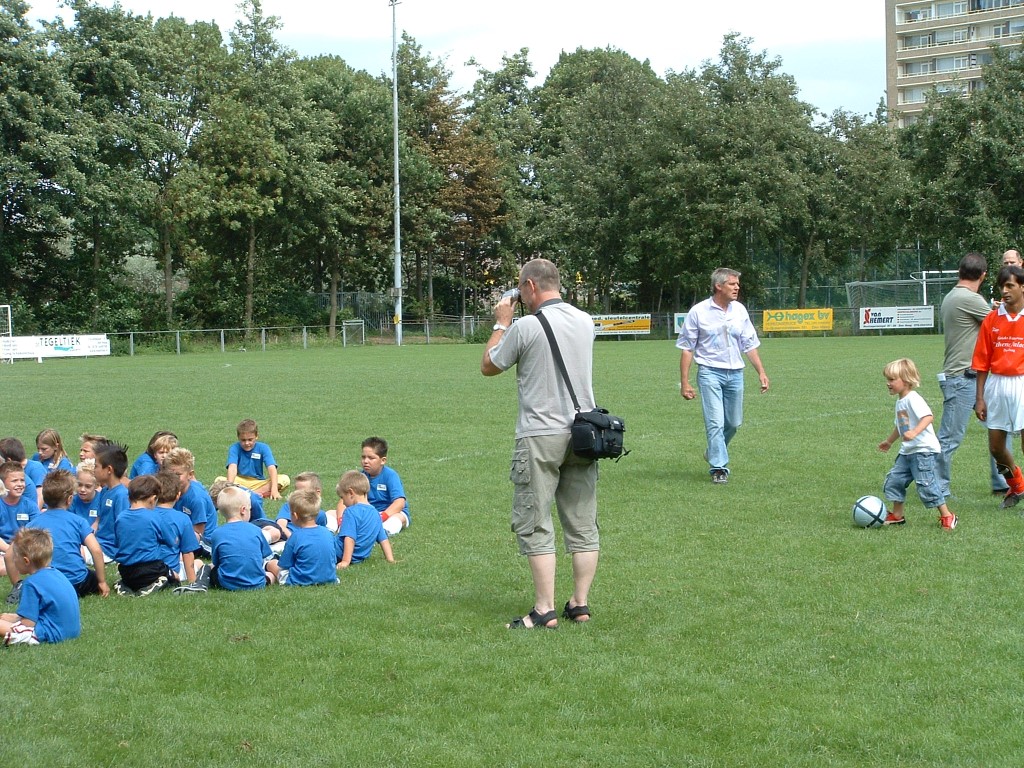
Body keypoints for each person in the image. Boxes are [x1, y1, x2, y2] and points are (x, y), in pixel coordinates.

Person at [482, 257, 599, 629]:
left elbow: (489, 365)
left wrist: (502, 322)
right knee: (582, 522)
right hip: (583, 432)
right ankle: (579, 603)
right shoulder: (584, 320)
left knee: (535, 521)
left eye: (521, 288)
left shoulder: (526, 326)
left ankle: (544, 609)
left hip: (540, 433)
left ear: (530, 286)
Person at [677, 267, 770, 484]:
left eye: (737, 284)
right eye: (732, 284)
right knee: (715, 422)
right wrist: (685, 382)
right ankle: (719, 468)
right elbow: (687, 348)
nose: (737, 287)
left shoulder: (740, 310)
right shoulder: (698, 312)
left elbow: (749, 344)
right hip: (709, 372)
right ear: (718, 286)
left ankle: (713, 451)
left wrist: (761, 372)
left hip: (736, 374)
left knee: (734, 423)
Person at [936, 253, 1007, 497]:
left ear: (959, 271)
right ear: (983, 275)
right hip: (963, 378)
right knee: (949, 438)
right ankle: (936, 488)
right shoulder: (970, 299)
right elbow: (1001, 326)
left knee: (999, 428)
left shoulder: (953, 296)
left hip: (970, 377)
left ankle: (1003, 482)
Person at [878, 358, 958, 529]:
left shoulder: (913, 399)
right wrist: (889, 441)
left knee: (926, 484)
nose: (888, 383)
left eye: (892, 379)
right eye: (887, 379)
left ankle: (947, 515)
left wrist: (914, 432)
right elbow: (901, 426)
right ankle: (897, 515)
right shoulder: (900, 401)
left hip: (923, 451)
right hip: (907, 451)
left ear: (906, 381)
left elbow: (928, 417)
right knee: (894, 481)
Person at [7, 470, 108, 604]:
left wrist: (17, 583)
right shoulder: (78, 521)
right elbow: (96, 550)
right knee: (91, 576)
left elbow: (9, 555)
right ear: (70, 499)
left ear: (44, 498)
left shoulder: (32, 525)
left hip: (46, 584)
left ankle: (21, 588)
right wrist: (102, 582)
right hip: (76, 582)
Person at [973, 264, 1024, 508]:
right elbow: (982, 362)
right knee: (995, 446)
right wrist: (979, 398)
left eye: (1010, 286)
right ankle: (1017, 486)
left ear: (1022, 287)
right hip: (997, 384)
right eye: (1002, 286)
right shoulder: (992, 319)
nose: (1004, 291)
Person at [181, 485, 279, 592]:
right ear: (243, 510)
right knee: (269, 574)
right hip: (257, 583)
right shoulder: (256, 530)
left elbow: (216, 561)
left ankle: (200, 584)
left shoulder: (217, 533)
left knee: (207, 567)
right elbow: (265, 556)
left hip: (226, 583)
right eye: (250, 509)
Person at [0, 529, 81, 645]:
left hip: (51, 634)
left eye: (15, 557)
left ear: (26, 561)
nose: (13, 560)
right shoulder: (57, 574)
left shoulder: (31, 583)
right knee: (6, 617)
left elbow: (28, 624)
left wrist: (12, 624)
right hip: (71, 631)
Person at [112, 475, 175, 596]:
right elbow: (171, 541)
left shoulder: (120, 518)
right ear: (153, 499)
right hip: (150, 570)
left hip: (126, 570)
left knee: (130, 578)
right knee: (173, 577)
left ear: (129, 498)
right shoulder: (155, 517)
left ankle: (124, 585)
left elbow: (118, 543)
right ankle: (155, 583)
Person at [334, 437, 409, 537]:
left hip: (388, 513)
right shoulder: (359, 477)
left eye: (371, 458)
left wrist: (382, 517)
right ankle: (330, 530)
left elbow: (399, 502)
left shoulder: (390, 475)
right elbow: (344, 500)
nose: (365, 461)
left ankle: (383, 532)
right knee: (331, 513)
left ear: (383, 460)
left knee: (399, 518)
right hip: (369, 513)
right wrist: (341, 520)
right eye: (363, 457)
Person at [277, 488, 338, 586]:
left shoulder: (295, 536)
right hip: (329, 577)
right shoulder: (328, 533)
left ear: (295, 515)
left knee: (274, 566)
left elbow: (285, 564)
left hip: (300, 580)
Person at [335, 471, 394, 568]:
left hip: (337, 552)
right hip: (359, 557)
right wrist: (390, 559)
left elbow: (349, 538)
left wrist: (345, 561)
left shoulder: (350, 512)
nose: (343, 503)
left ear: (351, 493)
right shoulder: (375, 513)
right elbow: (383, 539)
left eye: (342, 497)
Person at [221, 419, 289, 499]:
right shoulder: (234, 448)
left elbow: (271, 468)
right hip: (240, 481)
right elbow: (232, 467)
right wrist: (229, 487)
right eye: (243, 440)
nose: (247, 443)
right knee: (219, 480)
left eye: (250, 439)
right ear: (238, 437)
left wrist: (274, 489)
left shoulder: (263, 447)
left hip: (258, 482)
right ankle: (257, 494)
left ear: (256, 436)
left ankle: (247, 494)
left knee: (284, 479)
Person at [153, 470, 199, 587]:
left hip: (147, 571)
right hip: (171, 573)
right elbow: (187, 553)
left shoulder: (146, 515)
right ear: (178, 495)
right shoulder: (183, 519)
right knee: (199, 563)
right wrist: (192, 582)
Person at [163, 448, 217, 546]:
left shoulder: (197, 498)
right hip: (181, 532)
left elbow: (198, 532)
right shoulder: (169, 490)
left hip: (203, 541)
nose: (173, 479)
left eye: (178, 475)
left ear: (190, 475)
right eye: (170, 475)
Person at [0, 461, 39, 576]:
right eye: (14, 481)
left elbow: (37, 531)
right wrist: (9, 551)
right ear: (3, 483)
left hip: (23, 549)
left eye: (22, 480)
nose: (20, 484)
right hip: (3, 547)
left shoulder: (30, 505)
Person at [93, 441, 129, 562]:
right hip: (98, 542)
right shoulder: (104, 491)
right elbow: (98, 520)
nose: (93, 470)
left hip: (109, 549)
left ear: (109, 469)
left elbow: (123, 527)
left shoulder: (121, 495)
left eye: (96, 466)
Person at [276, 472, 330, 540]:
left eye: (303, 492)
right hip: (286, 538)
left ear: (317, 493)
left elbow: (321, 533)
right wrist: (292, 538)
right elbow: (280, 525)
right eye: (296, 492)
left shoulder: (320, 514)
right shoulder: (290, 506)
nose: (298, 495)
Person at [69, 460, 101, 526]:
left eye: (88, 486)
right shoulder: (72, 501)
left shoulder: (102, 500)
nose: (82, 489)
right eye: (79, 485)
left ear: (96, 485)